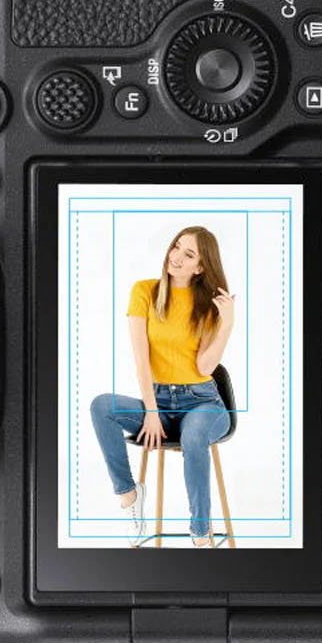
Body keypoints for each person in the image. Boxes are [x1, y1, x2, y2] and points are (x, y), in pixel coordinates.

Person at [89, 226, 237, 548]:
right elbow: (141, 360)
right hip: (158, 401)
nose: (177, 257)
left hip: (203, 404)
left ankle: (200, 532)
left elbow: (205, 368)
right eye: (176, 247)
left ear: (201, 266)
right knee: (102, 406)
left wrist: (227, 323)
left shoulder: (208, 306)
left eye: (189, 254)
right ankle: (129, 496)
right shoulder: (144, 291)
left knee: (194, 435)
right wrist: (152, 411)